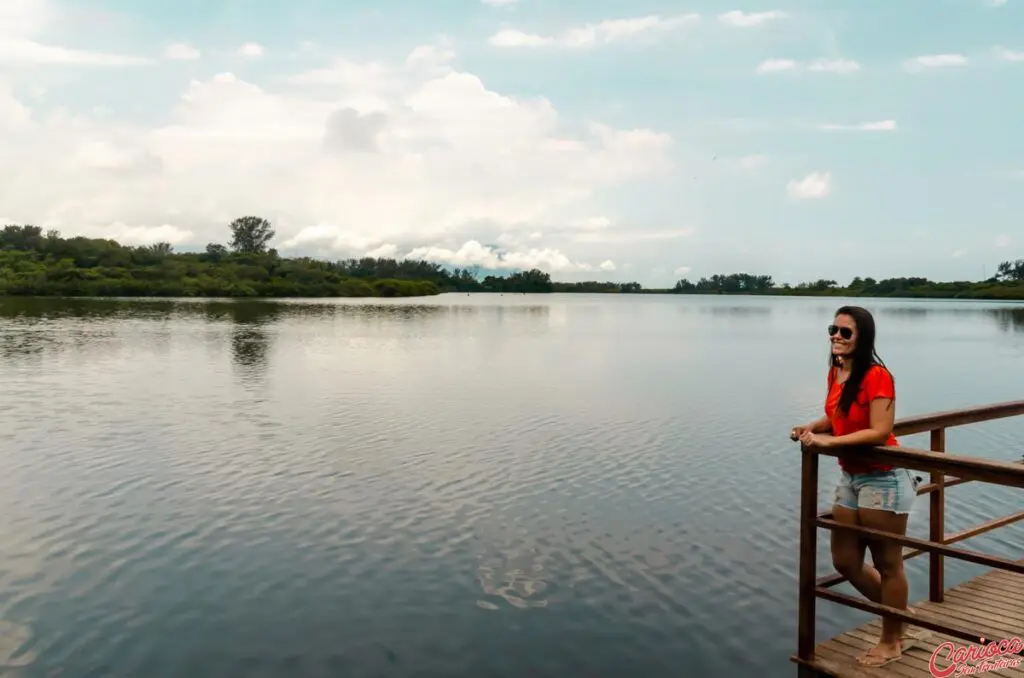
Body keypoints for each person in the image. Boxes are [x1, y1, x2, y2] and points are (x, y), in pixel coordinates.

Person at [790, 305, 921, 668]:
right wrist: (812, 429)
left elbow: (880, 431)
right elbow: (837, 417)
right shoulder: (837, 371)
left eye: (845, 332)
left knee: (888, 562)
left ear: (862, 337)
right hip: (851, 476)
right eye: (833, 329)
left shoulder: (877, 375)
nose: (836, 336)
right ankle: (903, 616)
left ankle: (892, 639)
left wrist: (826, 444)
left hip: (884, 478)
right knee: (845, 560)